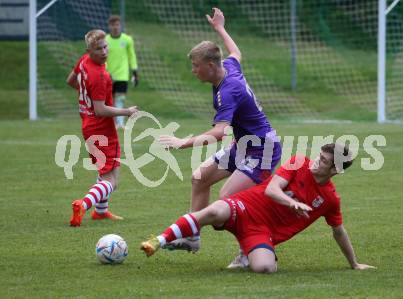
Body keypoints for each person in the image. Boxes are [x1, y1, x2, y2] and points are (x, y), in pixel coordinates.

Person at [158, 7, 282, 268]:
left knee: (229, 199)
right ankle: (191, 236)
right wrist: (220, 29)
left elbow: (218, 132)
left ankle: (250, 250)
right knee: (200, 177)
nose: (193, 71)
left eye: (196, 66)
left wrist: (183, 142)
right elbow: (236, 53)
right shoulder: (228, 66)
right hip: (244, 145)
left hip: (263, 150)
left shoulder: (228, 92)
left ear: (210, 66)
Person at [140, 143, 376, 273]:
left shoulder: (330, 199)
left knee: (265, 269)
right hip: (246, 205)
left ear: (335, 171)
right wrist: (292, 202)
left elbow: (338, 231)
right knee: (212, 212)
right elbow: (271, 190)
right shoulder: (298, 161)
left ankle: (250, 254)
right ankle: (158, 241)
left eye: (323, 161)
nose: (316, 162)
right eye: (319, 156)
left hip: (261, 232)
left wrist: (354, 263)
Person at [66, 29, 138, 227]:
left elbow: (70, 81)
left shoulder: (83, 61)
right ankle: (83, 204)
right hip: (100, 129)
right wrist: (126, 112)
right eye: (99, 49)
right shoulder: (100, 76)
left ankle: (101, 211)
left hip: (90, 126)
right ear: (89, 50)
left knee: (107, 170)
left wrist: (86, 96)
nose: (104, 52)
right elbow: (100, 109)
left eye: (105, 46)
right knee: (112, 181)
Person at [106, 15, 139, 129]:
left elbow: (132, 56)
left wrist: (134, 71)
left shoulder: (127, 39)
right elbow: (102, 57)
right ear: (109, 26)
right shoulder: (105, 40)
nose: (115, 27)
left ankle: (120, 123)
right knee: (109, 100)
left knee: (120, 98)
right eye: (113, 25)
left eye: (117, 25)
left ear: (120, 26)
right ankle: (112, 123)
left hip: (122, 75)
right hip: (108, 75)